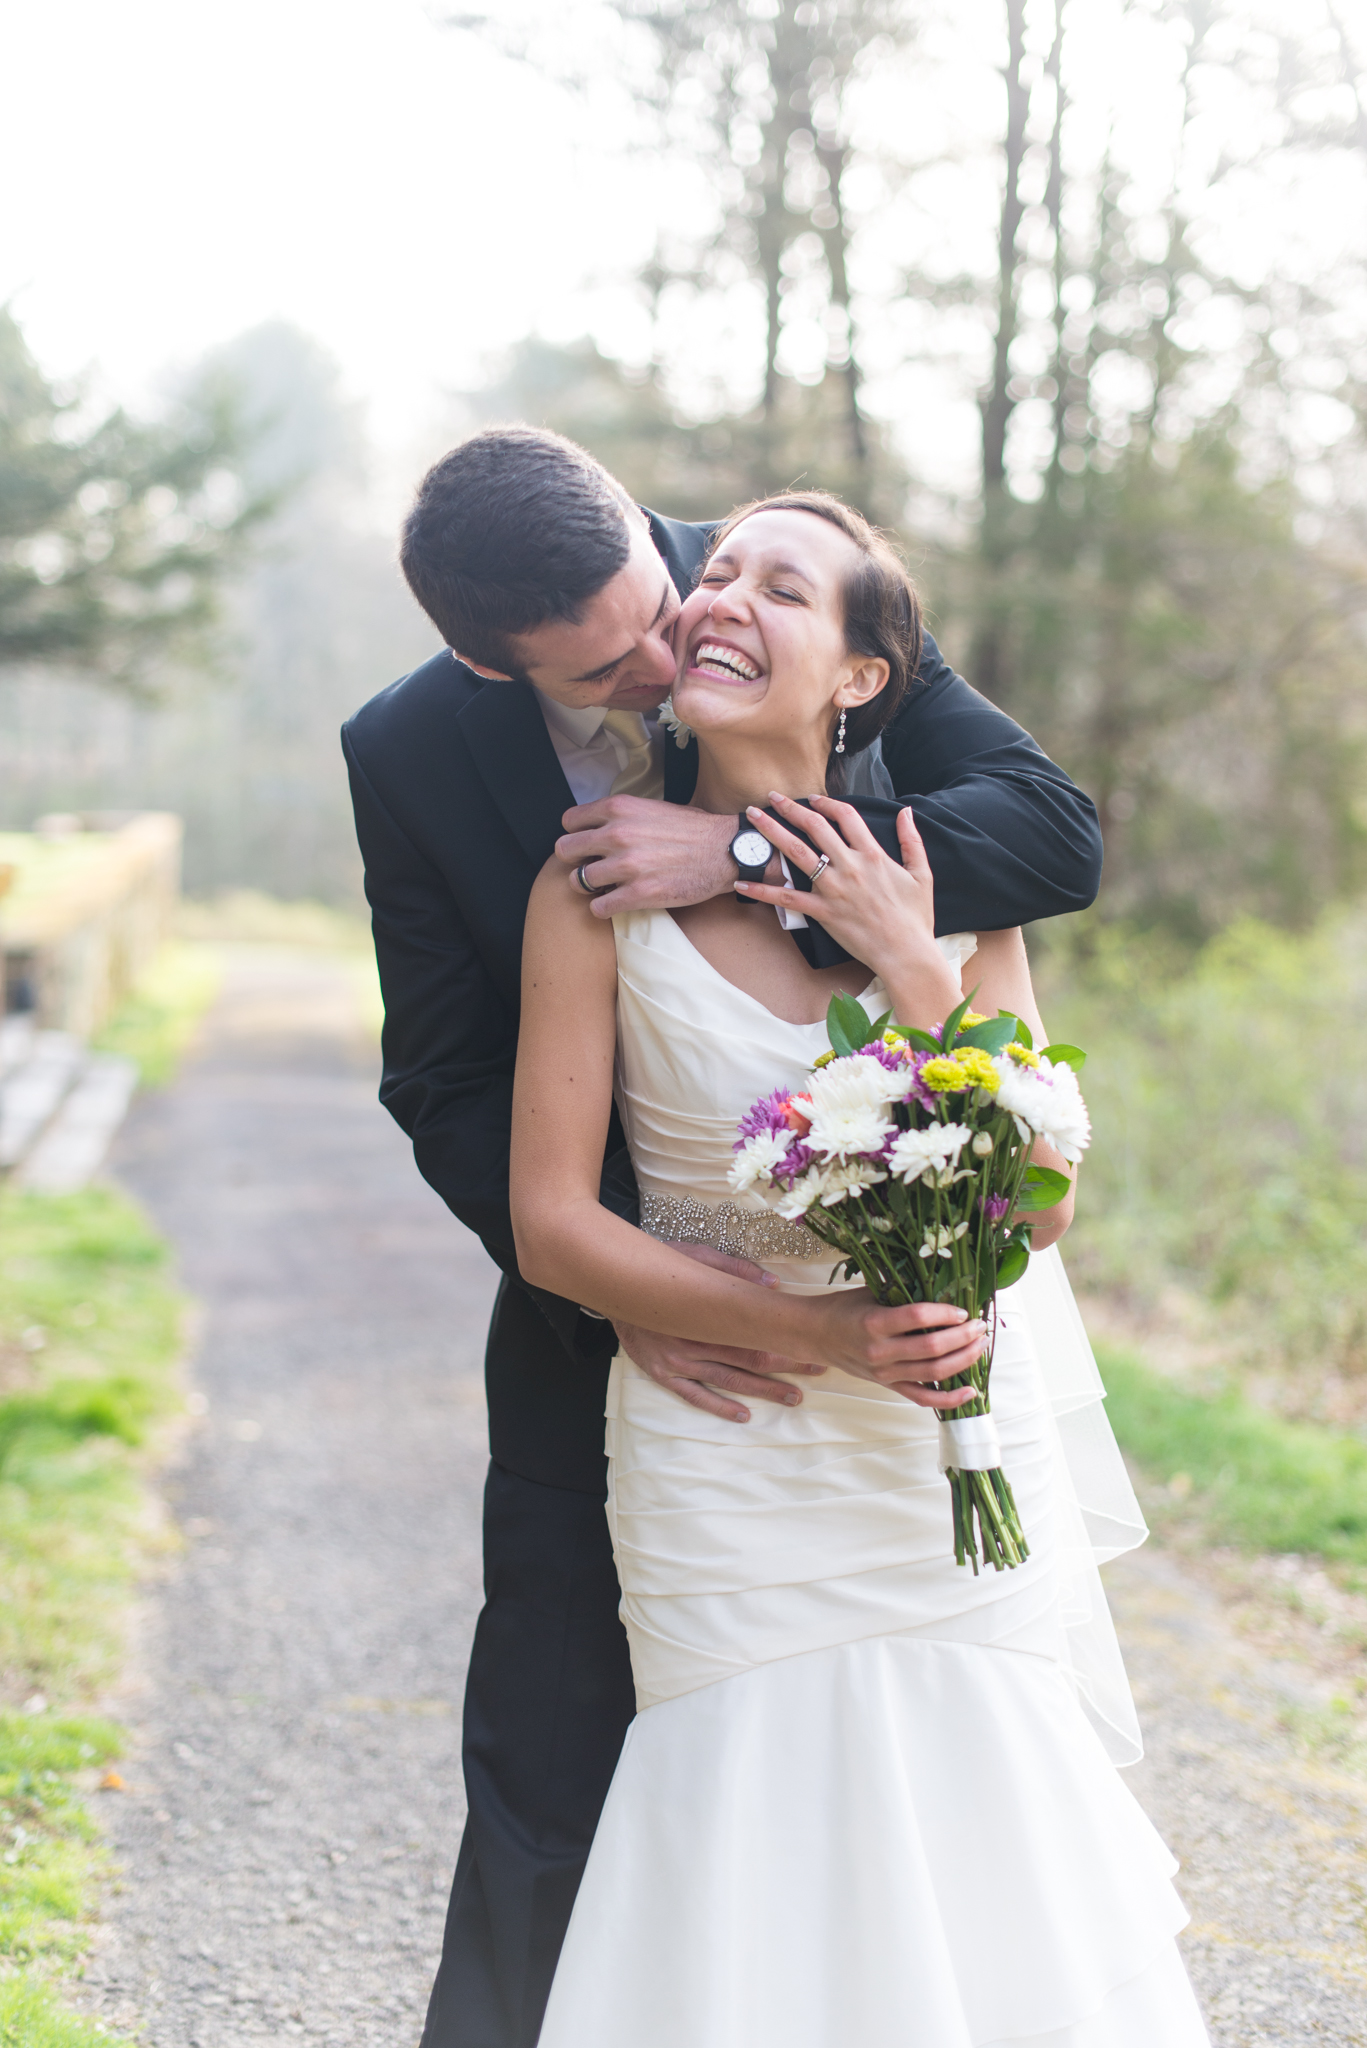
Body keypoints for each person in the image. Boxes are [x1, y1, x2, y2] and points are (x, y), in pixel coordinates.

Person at [341, 429, 1107, 2048]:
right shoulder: (425, 761)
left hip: (919, 1413)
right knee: (565, 1791)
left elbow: (1051, 845)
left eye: (669, 589)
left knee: (963, 1833)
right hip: (652, 1356)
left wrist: (764, 863)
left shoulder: (790, 578)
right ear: (494, 665)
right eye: (620, 654)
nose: (678, 637)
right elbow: (447, 1080)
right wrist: (666, 1295)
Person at [512, 489, 1210, 2046]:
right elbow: (558, 1223)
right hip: (734, 1441)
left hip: (940, 1442)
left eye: (782, 584)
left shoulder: (946, 880)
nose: (723, 596)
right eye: (717, 573)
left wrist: (912, 969)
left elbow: (1032, 1222)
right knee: (748, 1864)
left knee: (987, 1866)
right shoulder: (592, 891)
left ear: (860, 677)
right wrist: (810, 1334)